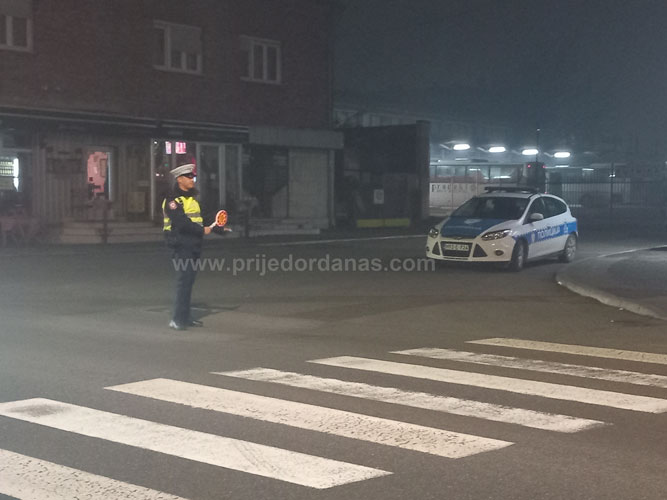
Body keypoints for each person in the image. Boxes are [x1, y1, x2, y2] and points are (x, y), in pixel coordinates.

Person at [162, 163, 211, 331]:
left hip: (194, 244)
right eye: (189, 177)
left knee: (189, 282)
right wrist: (202, 230)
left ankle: (185, 317)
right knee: (184, 281)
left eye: (193, 177)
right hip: (181, 244)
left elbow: (202, 218)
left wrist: (219, 228)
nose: (192, 180)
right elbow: (182, 223)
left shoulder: (192, 199)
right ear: (179, 180)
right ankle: (177, 319)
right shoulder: (172, 201)